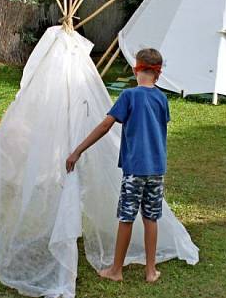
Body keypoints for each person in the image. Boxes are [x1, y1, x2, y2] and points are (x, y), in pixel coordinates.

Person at [66, 48, 169, 283]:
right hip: (156, 169)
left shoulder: (129, 96)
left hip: (135, 170)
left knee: (126, 218)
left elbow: (104, 127)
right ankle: (151, 271)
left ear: (135, 69)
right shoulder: (162, 98)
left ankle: (116, 270)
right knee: (151, 218)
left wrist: (78, 150)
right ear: (158, 74)